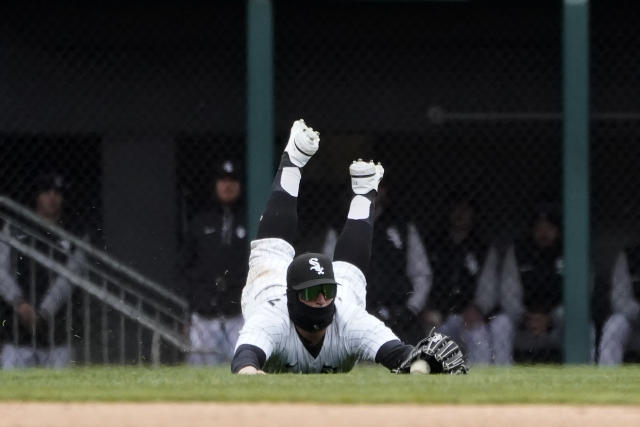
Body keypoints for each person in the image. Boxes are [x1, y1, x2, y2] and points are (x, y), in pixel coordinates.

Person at [231, 119, 467, 375]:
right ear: (293, 298)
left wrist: (424, 367)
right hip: (270, 288)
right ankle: (293, 159)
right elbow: (244, 362)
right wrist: (253, 374)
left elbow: (398, 354)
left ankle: (365, 191)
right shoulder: (271, 317)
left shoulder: (349, 317)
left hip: (343, 303)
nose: (322, 300)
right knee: (271, 251)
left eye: (326, 290)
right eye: (312, 293)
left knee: (349, 276)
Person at [322, 181, 431, 345]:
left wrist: (411, 309)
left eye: (378, 185)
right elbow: (328, 274)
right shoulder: (340, 227)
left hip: (400, 314)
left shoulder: (403, 226)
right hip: (355, 312)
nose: (372, 190)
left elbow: (422, 274)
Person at [0, 173, 82, 369]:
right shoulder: (15, 227)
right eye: (46, 192)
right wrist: (20, 303)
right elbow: (1, 270)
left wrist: (44, 311)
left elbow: (70, 278)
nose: (52, 197)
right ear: (37, 196)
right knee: (10, 390)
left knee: (64, 394)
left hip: (58, 331)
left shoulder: (74, 233)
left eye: (58, 193)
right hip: (17, 329)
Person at [177, 159, 248, 365]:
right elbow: (183, 266)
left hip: (238, 315)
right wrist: (193, 302)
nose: (228, 185)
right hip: (203, 315)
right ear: (215, 184)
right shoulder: (200, 222)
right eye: (223, 180)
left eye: (233, 180)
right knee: (200, 373)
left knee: (242, 369)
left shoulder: (250, 218)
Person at [421, 194, 500, 365]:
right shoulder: (433, 243)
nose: (460, 214)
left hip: (468, 316)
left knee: (479, 336)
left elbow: (489, 286)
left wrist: (478, 308)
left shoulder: (482, 248)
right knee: (434, 342)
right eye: (456, 209)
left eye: (465, 210)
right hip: (437, 314)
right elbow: (421, 280)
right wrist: (425, 307)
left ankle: (479, 385)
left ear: (473, 214)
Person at [495, 203, 566, 364]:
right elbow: (508, 292)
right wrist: (525, 316)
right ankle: (501, 380)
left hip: (557, 325)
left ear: (558, 230)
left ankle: (581, 376)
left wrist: (550, 318)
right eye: (539, 227)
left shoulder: (570, 250)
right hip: (524, 324)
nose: (544, 232)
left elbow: (581, 295)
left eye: (549, 227)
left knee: (580, 322)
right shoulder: (519, 251)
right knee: (500, 323)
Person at [598, 245, 640, 365]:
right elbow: (619, 299)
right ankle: (606, 380)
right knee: (615, 324)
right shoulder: (630, 255)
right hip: (635, 323)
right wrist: (637, 311)